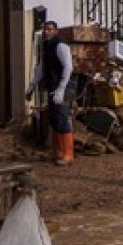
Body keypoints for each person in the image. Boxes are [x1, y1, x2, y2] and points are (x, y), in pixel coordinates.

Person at [29, 19, 75, 165]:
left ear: (56, 31)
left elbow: (68, 67)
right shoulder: (47, 46)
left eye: (50, 29)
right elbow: (41, 67)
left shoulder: (61, 45)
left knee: (62, 117)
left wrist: (61, 88)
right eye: (45, 29)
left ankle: (68, 154)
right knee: (54, 118)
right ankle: (58, 151)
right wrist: (32, 86)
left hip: (64, 85)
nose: (46, 32)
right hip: (52, 85)